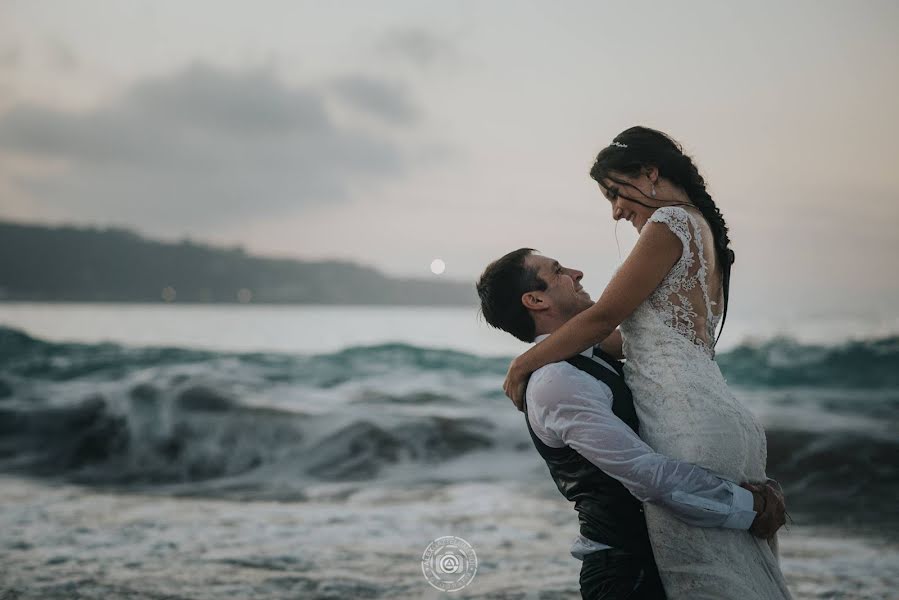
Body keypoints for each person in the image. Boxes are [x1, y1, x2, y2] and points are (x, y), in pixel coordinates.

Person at [501, 127, 792, 598]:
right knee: (742, 577)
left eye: (616, 192)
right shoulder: (702, 229)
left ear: (650, 174)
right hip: (727, 419)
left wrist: (522, 365)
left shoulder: (667, 224)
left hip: (688, 425)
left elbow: (605, 317)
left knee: (706, 583)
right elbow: (631, 339)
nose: (616, 211)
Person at [477, 248, 786, 599]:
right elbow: (647, 476)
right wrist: (748, 507)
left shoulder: (590, 358)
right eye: (559, 270)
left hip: (663, 561)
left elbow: (670, 335)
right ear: (535, 300)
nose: (577, 273)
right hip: (626, 578)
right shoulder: (557, 383)